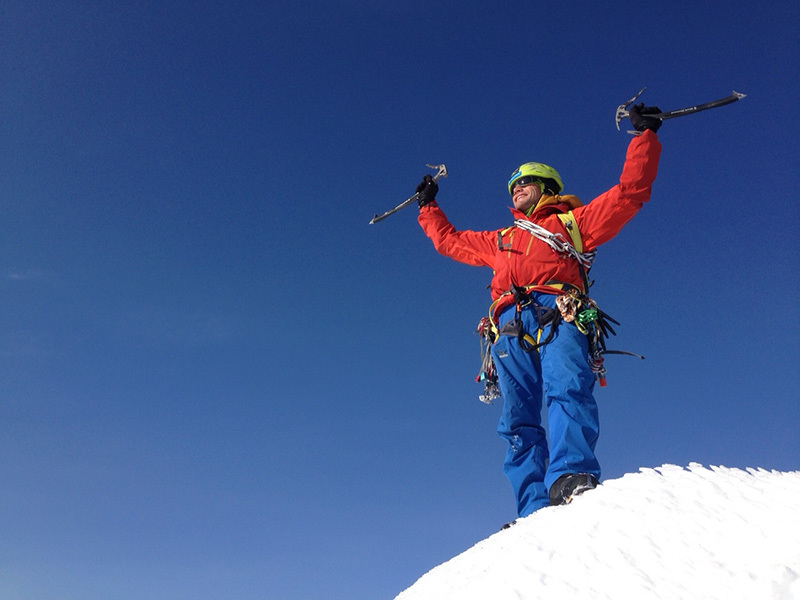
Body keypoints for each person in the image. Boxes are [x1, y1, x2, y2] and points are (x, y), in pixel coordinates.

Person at [415, 104, 663, 517]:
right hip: (508, 325)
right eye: (513, 185)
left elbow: (629, 193)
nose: (517, 188)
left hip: (558, 310)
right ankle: (531, 506)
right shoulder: (501, 239)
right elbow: (450, 241)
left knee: (567, 388)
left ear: (547, 186)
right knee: (516, 419)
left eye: (526, 182)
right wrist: (428, 207)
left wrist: (644, 137)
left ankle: (570, 476)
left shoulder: (572, 222)